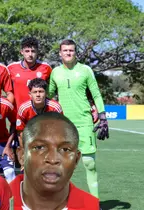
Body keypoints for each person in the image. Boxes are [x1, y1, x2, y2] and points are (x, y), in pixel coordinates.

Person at [48, 39, 109, 198]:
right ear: (60, 53)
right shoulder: (55, 72)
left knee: (89, 163)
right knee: (62, 167)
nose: (68, 53)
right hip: (64, 127)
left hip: (84, 123)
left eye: (71, 50)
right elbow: (49, 96)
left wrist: (102, 116)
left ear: (75, 52)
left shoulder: (85, 70)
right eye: (65, 50)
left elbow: (96, 94)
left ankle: (95, 203)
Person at [10, 112, 100, 210]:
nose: (53, 159)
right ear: (22, 156)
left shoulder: (90, 206)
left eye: (65, 149)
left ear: (76, 159)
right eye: (40, 147)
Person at [9, 78, 63, 160]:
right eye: (35, 92)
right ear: (30, 94)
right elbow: (21, 133)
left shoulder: (55, 108)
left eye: (41, 91)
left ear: (46, 93)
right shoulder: (23, 109)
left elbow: (60, 131)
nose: (38, 95)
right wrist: (25, 151)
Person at [7, 37, 52, 109]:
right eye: (27, 51)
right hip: (18, 113)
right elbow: (7, 91)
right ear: (21, 52)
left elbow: (51, 90)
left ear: (37, 52)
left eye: (33, 51)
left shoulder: (46, 67)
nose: (30, 54)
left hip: (39, 113)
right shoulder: (11, 68)